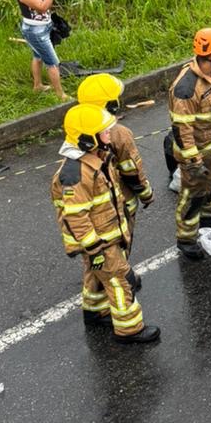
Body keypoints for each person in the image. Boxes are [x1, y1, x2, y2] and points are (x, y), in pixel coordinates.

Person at [51, 103, 160, 345]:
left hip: (107, 234)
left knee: (96, 273)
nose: (110, 134)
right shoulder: (75, 174)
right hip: (100, 241)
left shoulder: (98, 159)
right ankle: (129, 329)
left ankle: (95, 312)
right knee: (120, 280)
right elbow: (76, 218)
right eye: (104, 132)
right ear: (88, 140)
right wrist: (94, 249)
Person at [76, 73, 153, 288]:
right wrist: (146, 193)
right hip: (119, 205)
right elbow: (132, 170)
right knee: (118, 251)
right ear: (109, 104)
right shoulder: (119, 134)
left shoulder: (78, 132)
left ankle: (93, 304)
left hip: (92, 211)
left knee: (96, 258)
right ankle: (120, 284)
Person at [167, 28, 211, 261]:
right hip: (195, 152)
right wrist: (193, 161)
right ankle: (186, 238)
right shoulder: (186, 89)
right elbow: (182, 130)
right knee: (193, 195)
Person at [6, 0, 70, 101]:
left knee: (38, 56)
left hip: (45, 25)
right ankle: (61, 95)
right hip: (35, 30)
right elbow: (42, 8)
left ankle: (38, 85)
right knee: (53, 63)